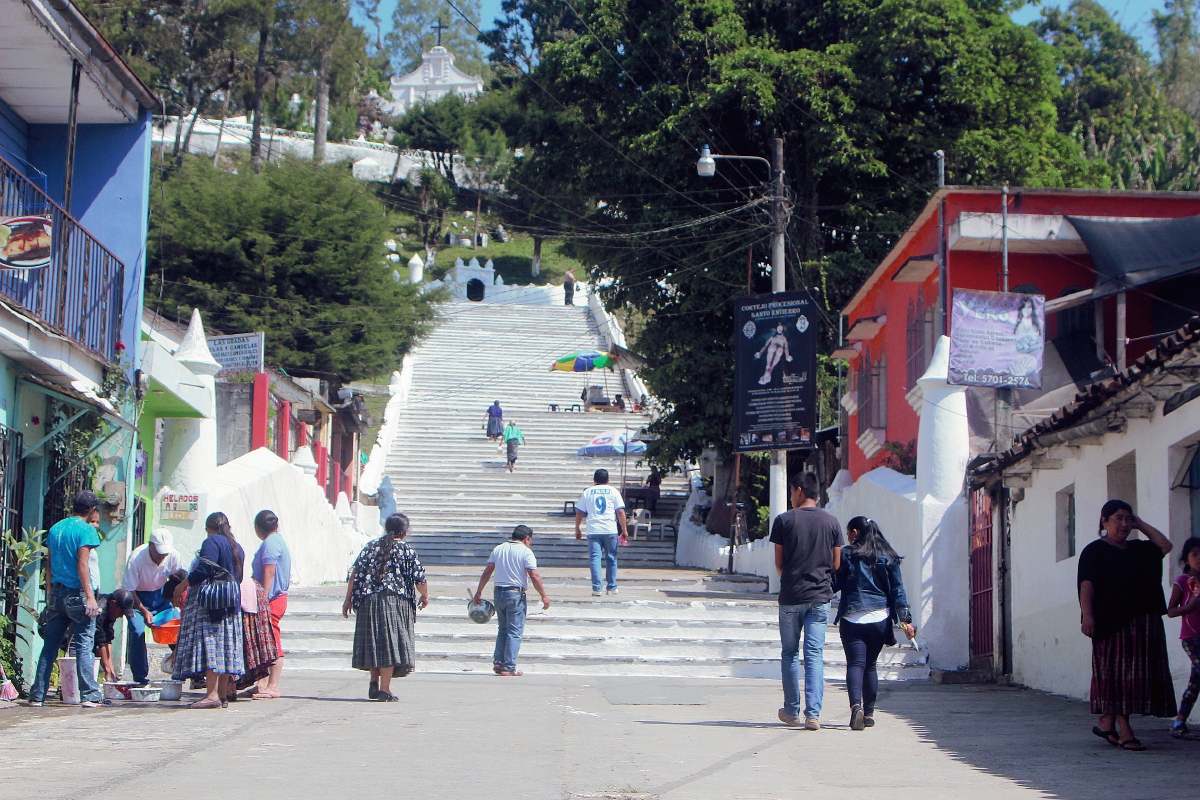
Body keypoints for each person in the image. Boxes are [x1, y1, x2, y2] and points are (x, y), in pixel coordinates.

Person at [1078, 499, 1175, 751]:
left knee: (1131, 680)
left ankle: (1107, 721)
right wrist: (1087, 615)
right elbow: (1087, 584)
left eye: (1127, 519)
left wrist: (1140, 524)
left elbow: (1165, 545)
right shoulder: (1095, 551)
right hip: (1111, 623)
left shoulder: (1139, 549)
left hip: (1143, 623)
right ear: (1104, 521)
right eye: (1118, 518)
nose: (1123, 524)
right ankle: (1126, 731)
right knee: (1118, 677)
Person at [770, 471, 843, 731]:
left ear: (799, 490)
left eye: (791, 492)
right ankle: (813, 714)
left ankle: (792, 711)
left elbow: (779, 564)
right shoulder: (832, 523)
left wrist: (791, 578)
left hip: (791, 596)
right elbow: (836, 564)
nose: (791, 497)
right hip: (820, 597)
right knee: (814, 654)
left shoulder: (783, 521)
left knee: (790, 654)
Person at [832, 517, 915, 731]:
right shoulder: (888, 556)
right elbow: (898, 590)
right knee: (870, 666)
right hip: (879, 618)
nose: (848, 537)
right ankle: (868, 714)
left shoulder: (847, 554)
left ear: (856, 532)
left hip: (852, 618)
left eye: (849, 533)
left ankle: (856, 708)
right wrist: (905, 619)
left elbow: (835, 583)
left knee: (855, 664)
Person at [28, 491, 107, 708]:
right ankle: (90, 695)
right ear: (92, 510)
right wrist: (90, 597)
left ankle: (37, 695)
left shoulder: (55, 529)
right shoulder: (86, 531)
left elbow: (49, 564)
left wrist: (50, 593)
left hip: (57, 595)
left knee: (50, 646)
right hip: (78, 595)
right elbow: (83, 565)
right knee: (83, 645)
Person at [342, 513, 429, 701]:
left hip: (368, 601)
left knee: (374, 642)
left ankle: (374, 683)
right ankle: (385, 689)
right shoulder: (406, 551)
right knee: (390, 644)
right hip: (394, 602)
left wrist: (348, 600)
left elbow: (354, 574)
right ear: (405, 531)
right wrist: (425, 595)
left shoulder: (370, 547)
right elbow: (419, 578)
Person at [172, 512, 246, 709]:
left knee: (211, 645)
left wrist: (183, 585)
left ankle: (211, 694)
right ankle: (221, 694)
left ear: (209, 529)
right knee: (224, 647)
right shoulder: (236, 547)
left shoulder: (212, 542)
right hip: (231, 604)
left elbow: (204, 569)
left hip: (212, 604)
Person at [473, 525, 551, 677]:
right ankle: (509, 667)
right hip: (515, 594)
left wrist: (479, 591)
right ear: (526, 538)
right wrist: (544, 595)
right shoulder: (526, 552)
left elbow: (488, 571)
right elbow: (534, 575)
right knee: (514, 631)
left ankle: (499, 661)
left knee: (502, 629)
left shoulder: (499, 549)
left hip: (499, 593)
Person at [122, 528, 186, 685]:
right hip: (138, 598)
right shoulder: (136, 558)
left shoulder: (174, 556)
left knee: (178, 628)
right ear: (150, 545)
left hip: (162, 597)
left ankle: (182, 669)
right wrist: (143, 610)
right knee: (137, 632)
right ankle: (140, 676)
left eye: (164, 554)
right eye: (159, 553)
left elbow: (179, 581)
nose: (161, 558)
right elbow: (130, 589)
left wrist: (176, 601)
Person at [250, 510, 291, 699]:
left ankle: (272, 686)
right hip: (276, 597)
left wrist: (263, 599)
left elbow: (269, 572)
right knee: (266, 641)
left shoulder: (270, 544)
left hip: (272, 599)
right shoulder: (277, 541)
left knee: (273, 641)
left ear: (258, 528)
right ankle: (263, 683)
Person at [575, 469, 628, 596]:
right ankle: (612, 587)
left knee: (595, 559)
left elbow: (579, 512)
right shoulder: (613, 491)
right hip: (610, 529)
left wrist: (577, 528)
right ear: (608, 480)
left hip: (593, 530)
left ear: (594, 480)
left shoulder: (587, 492)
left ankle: (597, 588)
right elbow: (620, 512)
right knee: (611, 558)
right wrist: (624, 529)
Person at [1167, 536, 1200, 739]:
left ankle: (1179, 722)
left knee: (1196, 681)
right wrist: (1188, 608)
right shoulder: (1184, 582)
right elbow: (1170, 610)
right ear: (1187, 559)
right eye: (1195, 554)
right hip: (1191, 638)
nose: (1199, 558)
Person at [92, 590, 137, 683]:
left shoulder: (111, 612)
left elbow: (107, 638)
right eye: (121, 612)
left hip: (96, 638)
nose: (121, 616)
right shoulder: (100, 611)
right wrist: (106, 670)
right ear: (113, 603)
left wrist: (111, 670)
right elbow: (99, 642)